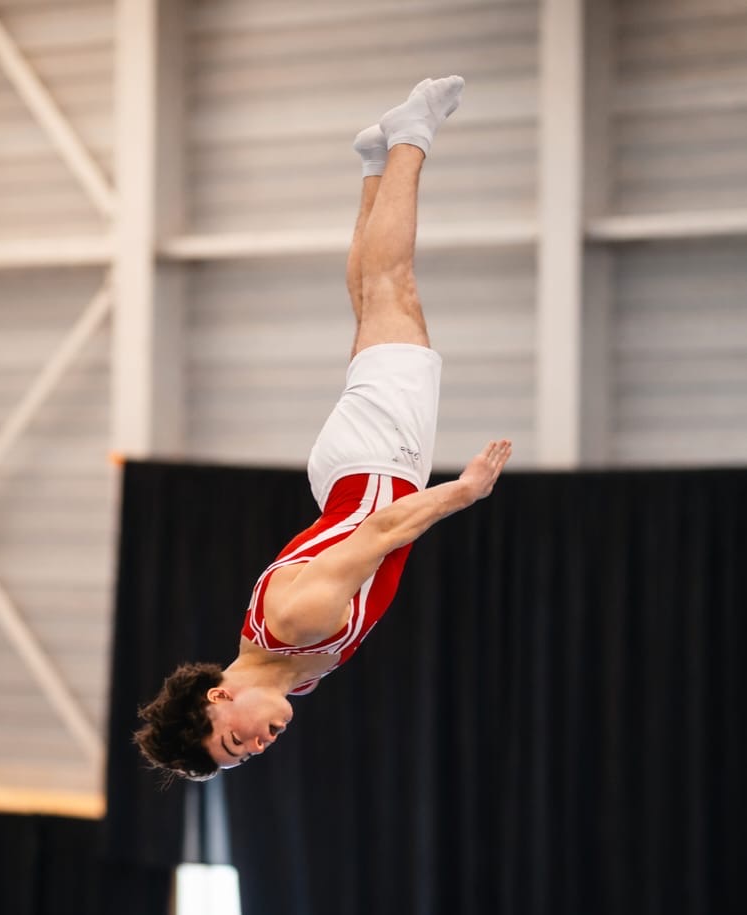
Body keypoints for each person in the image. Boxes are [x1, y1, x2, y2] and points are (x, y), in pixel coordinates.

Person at [135, 76, 512, 782]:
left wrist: (465, 491)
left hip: (377, 472)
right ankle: (374, 161)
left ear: (220, 696)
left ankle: (412, 133)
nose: (257, 746)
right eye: (244, 756)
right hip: (350, 478)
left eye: (235, 741)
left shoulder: (297, 626)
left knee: (393, 289)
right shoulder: (291, 673)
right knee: (373, 307)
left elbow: (382, 532)